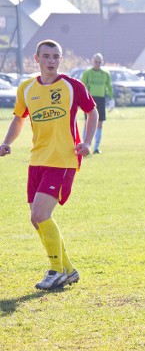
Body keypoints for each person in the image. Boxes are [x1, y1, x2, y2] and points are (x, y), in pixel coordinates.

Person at [0, 39, 98, 290]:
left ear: (60, 59)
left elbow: (92, 112)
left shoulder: (72, 86)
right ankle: (69, 270)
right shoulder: (26, 88)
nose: (51, 61)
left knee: (41, 214)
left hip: (63, 158)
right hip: (37, 160)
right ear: (37, 59)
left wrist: (87, 142)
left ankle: (55, 270)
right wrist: (6, 142)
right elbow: (19, 120)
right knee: (37, 219)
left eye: (56, 56)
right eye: (46, 56)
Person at [81, 53, 113, 154]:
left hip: (101, 100)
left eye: (99, 62)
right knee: (88, 122)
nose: (98, 64)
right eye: (96, 62)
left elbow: (109, 87)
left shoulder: (105, 74)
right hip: (90, 100)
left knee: (100, 124)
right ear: (92, 61)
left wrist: (112, 99)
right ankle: (84, 145)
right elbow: (82, 87)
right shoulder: (88, 73)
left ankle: (96, 147)